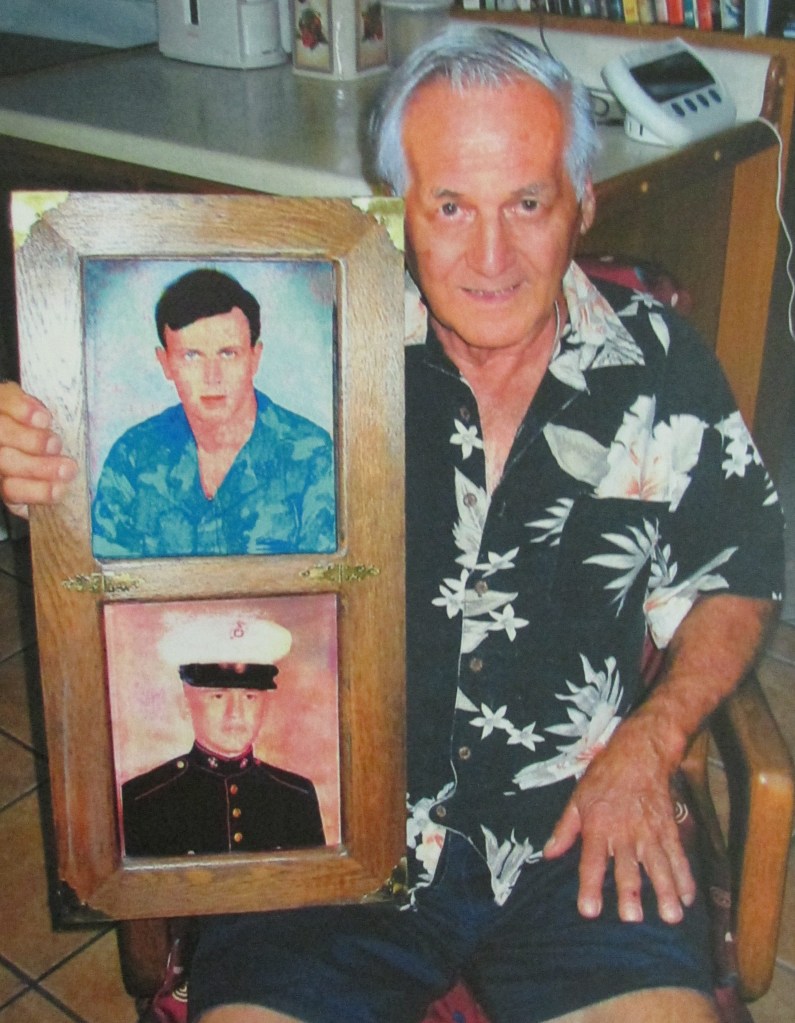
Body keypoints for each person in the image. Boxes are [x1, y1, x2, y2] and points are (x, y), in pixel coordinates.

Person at [0, 25, 784, 1023]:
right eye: (450, 205)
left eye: (528, 203)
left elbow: (737, 564)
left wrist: (655, 738)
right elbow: (150, 542)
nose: (490, 254)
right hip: (329, 839)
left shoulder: (661, 363)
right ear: (396, 210)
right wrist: (47, 465)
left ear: (582, 202)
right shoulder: (314, 354)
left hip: (579, 827)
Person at [91, 267, 336, 558]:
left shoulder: (312, 456)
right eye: (191, 356)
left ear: (254, 358)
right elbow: (108, 587)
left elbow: (327, 591)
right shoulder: (133, 456)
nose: (212, 377)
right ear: (166, 363)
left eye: (228, 354)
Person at [121, 615, 326, 858]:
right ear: (184, 705)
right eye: (218, 697)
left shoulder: (296, 797)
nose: (235, 713)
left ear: (265, 706)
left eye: (250, 697)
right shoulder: (144, 799)